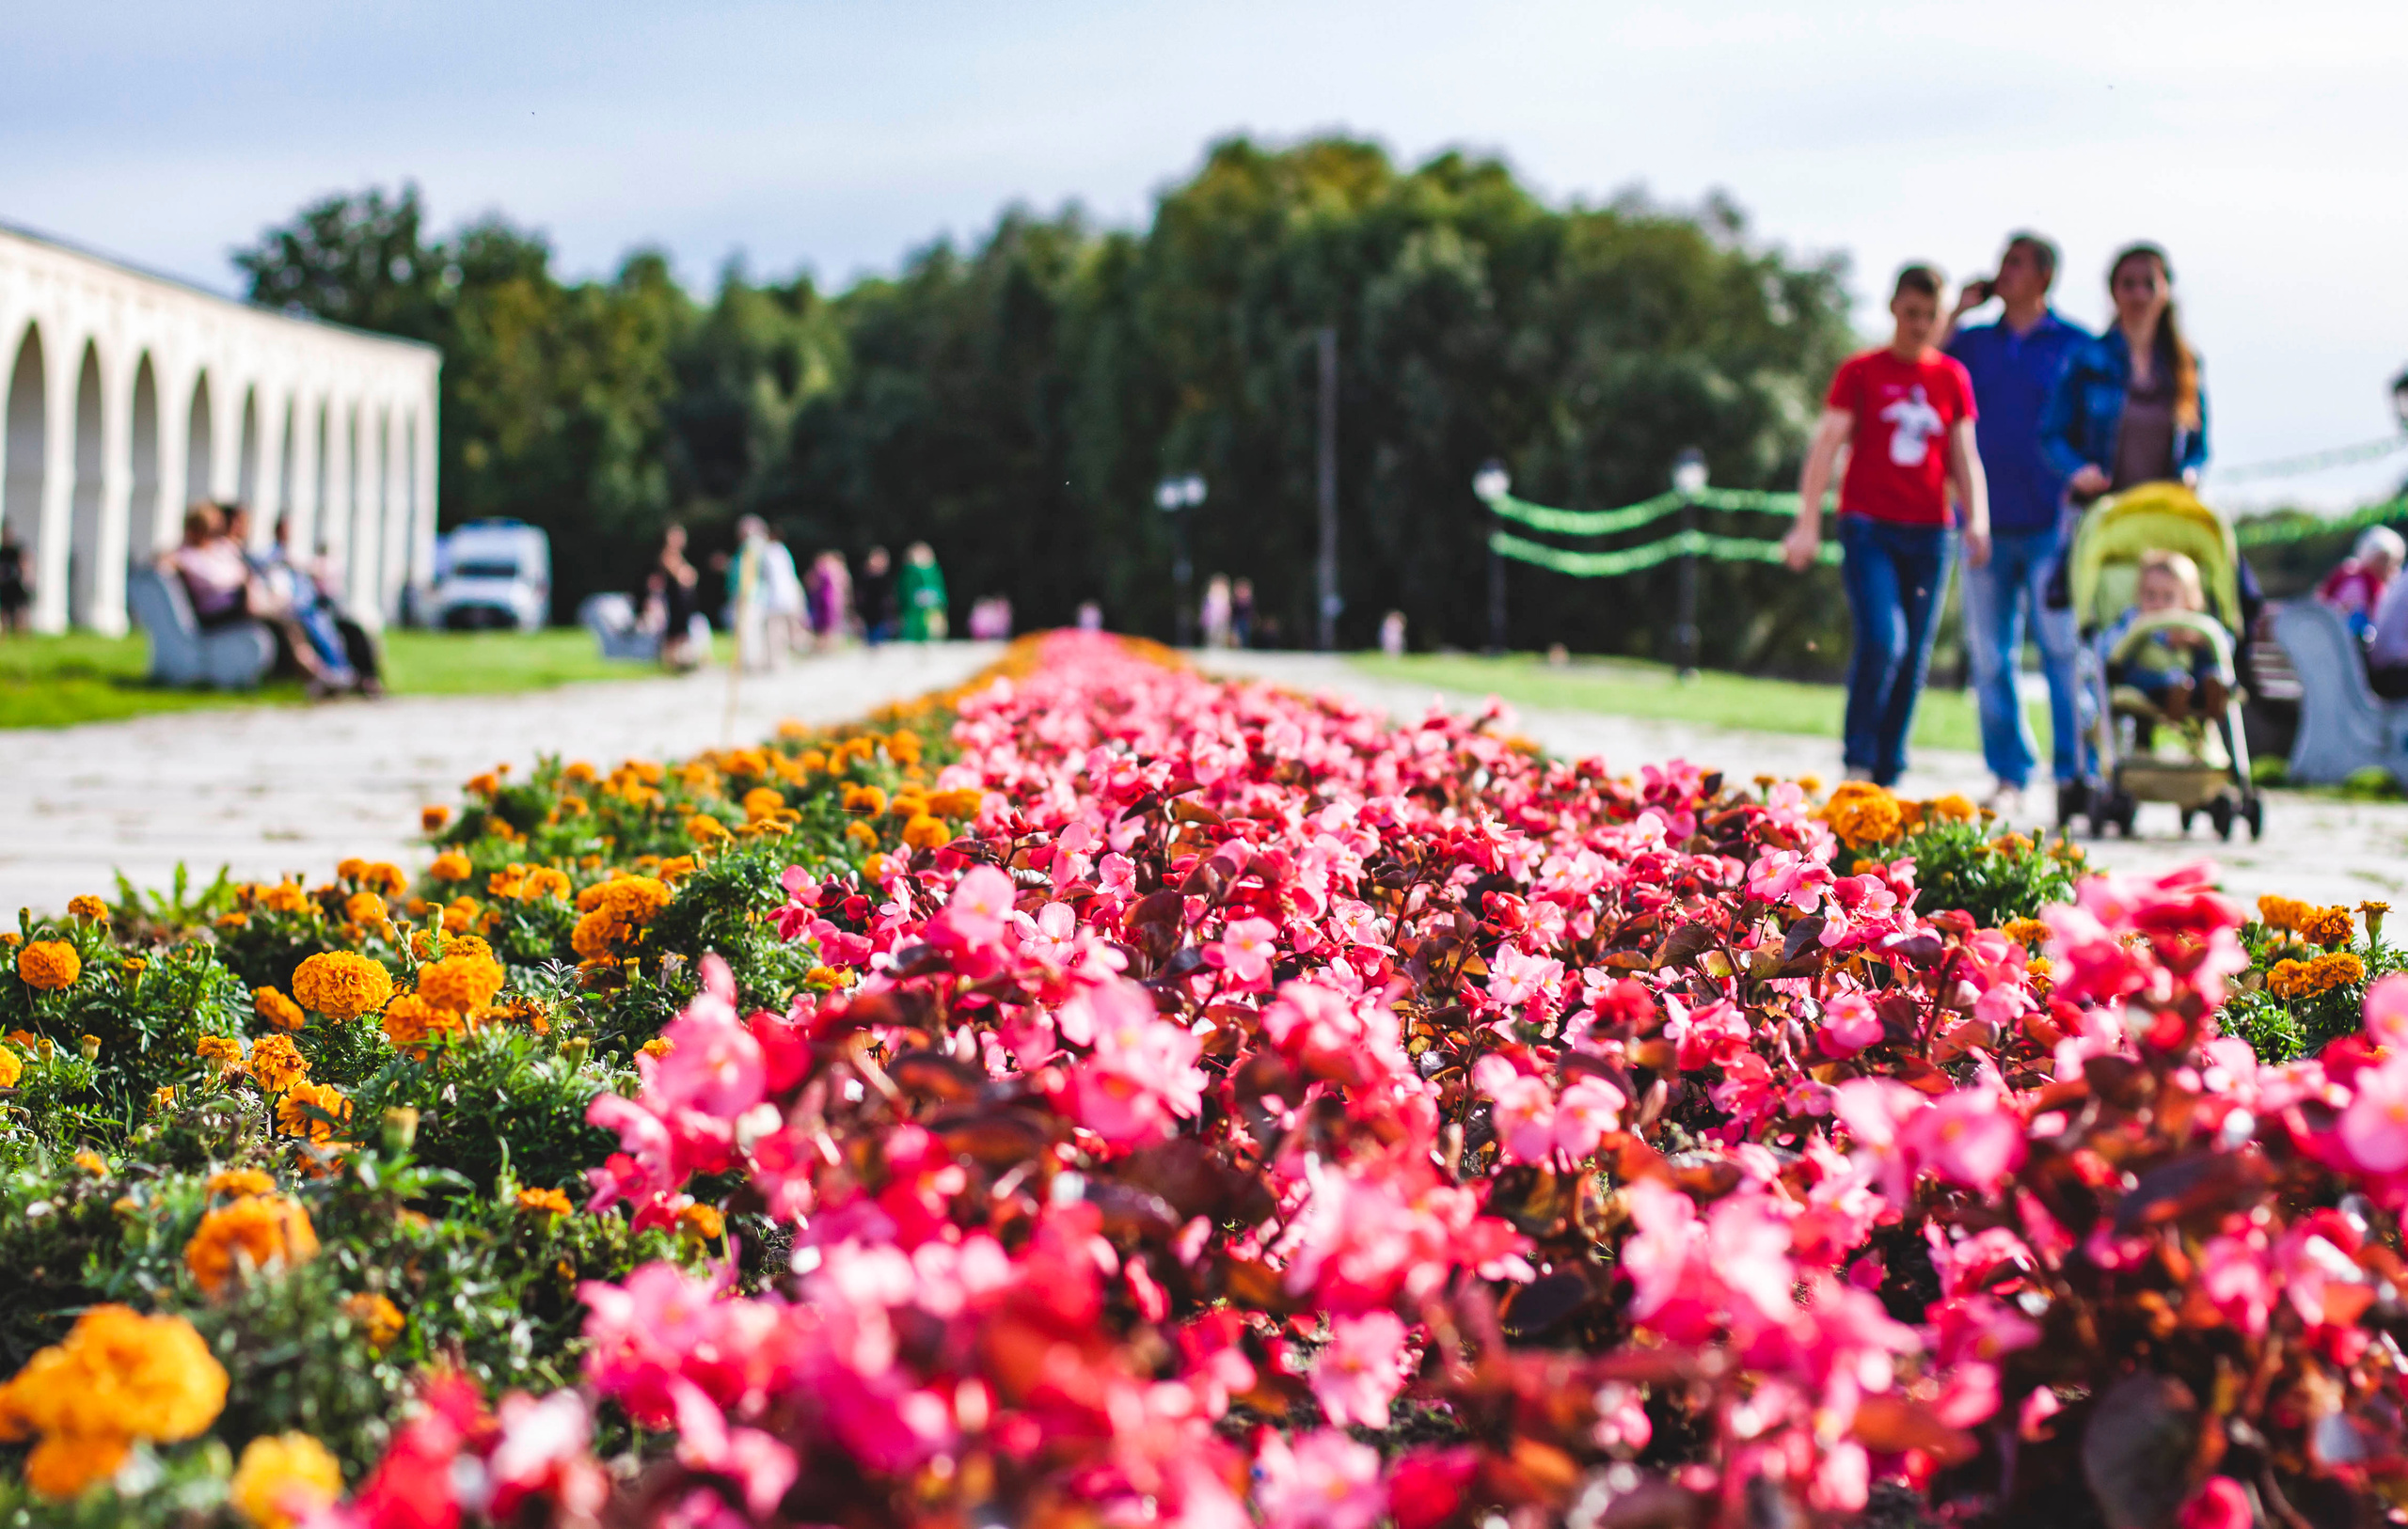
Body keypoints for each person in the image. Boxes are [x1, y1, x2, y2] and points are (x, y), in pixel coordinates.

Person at [1782, 265, 1989, 787]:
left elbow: (1965, 455)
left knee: (1915, 653)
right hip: (1868, 527)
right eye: (1910, 313)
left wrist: (1978, 519)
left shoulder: (1950, 378)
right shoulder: (1861, 371)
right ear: (1894, 308)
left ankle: (1888, 771)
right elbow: (1826, 445)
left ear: (1941, 318)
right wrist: (1806, 523)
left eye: (1929, 316)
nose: (1918, 325)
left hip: (1928, 533)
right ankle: (1858, 758)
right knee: (1883, 640)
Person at [1941, 232, 2092, 814]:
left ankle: (2077, 771)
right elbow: (1923, 361)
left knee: (2060, 650)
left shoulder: (2076, 345)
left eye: (2017, 264)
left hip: (2054, 524)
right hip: (1983, 521)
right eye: (2002, 261)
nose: (2003, 271)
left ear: (2044, 278)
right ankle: (2010, 774)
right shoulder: (1973, 342)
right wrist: (1958, 309)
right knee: (1989, 655)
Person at [2042, 243, 2209, 502]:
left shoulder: (2185, 364)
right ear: (2113, 292)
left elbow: (2198, 448)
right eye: (2129, 285)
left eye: (2149, 284)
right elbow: (2052, 434)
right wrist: (2077, 471)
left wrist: (2191, 473)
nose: (2139, 295)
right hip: (2103, 509)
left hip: (2163, 509)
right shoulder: (2086, 360)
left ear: (2166, 291)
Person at [2102, 549, 2232, 736]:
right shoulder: (2133, 619)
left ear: (2188, 601)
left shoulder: (2194, 623)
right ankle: (2174, 692)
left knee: (2208, 663)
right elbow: (2108, 650)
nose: (2158, 604)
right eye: (2150, 595)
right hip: (2150, 681)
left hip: (2191, 682)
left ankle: (2216, 688)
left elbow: (2225, 644)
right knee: (2134, 673)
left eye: (2168, 597)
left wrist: (2198, 640)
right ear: (2139, 595)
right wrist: (2135, 636)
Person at [2317, 526, 2403, 639]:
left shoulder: (2377, 584)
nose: (2391, 567)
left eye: (2395, 561)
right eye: (2383, 560)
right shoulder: (2357, 583)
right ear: (2369, 557)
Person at [641, 523, 703, 670]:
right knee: (673, 635)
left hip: (682, 603)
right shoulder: (667, 556)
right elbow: (685, 577)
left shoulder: (677, 557)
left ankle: (678, 664)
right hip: (673, 602)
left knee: (681, 634)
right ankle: (669, 664)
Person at [898, 542, 947, 642]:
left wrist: (942, 604)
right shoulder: (908, 574)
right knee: (914, 636)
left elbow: (941, 589)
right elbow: (905, 594)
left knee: (934, 635)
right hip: (914, 613)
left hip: (933, 611)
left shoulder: (935, 572)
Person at [858, 545, 898, 644]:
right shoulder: (865, 578)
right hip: (867, 616)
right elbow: (860, 598)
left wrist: (892, 616)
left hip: (882, 618)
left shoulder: (886, 579)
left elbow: (890, 599)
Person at [0, 528, 30, 634]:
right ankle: (6, 632)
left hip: (14, 585)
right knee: (5, 612)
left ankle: (21, 633)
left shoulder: (15, 551)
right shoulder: (2, 551)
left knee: (19, 611)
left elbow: (24, 564)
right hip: (4, 587)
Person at [1200, 575, 1233, 649]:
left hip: (1222, 620)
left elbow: (1227, 608)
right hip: (1212, 620)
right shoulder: (1210, 595)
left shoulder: (1225, 595)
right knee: (1211, 637)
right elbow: (1206, 610)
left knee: (1221, 637)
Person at [1230, 577, 1256, 649]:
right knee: (1236, 638)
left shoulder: (1249, 601)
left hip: (1245, 623)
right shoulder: (1235, 601)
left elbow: (1251, 613)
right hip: (1237, 623)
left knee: (1245, 638)